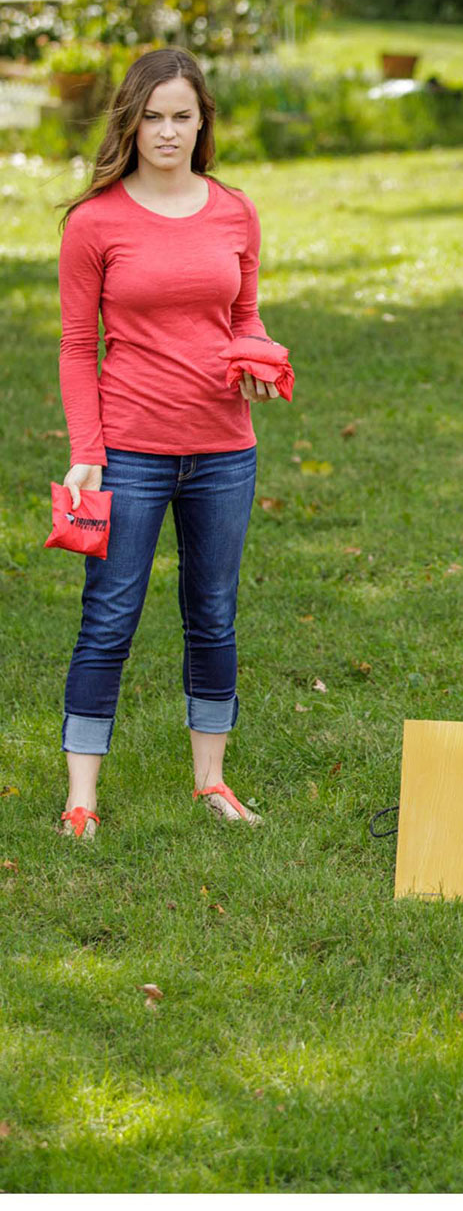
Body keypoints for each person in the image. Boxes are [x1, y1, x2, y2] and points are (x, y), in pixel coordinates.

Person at [54, 47, 283, 839]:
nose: (166, 131)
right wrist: (87, 448)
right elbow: (77, 346)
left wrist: (260, 356)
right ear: (131, 121)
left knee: (213, 613)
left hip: (224, 449)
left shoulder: (235, 211)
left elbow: (244, 314)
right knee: (109, 616)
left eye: (182, 116)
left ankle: (210, 782)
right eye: (152, 116)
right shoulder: (95, 222)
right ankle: (81, 798)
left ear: (201, 123)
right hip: (129, 451)